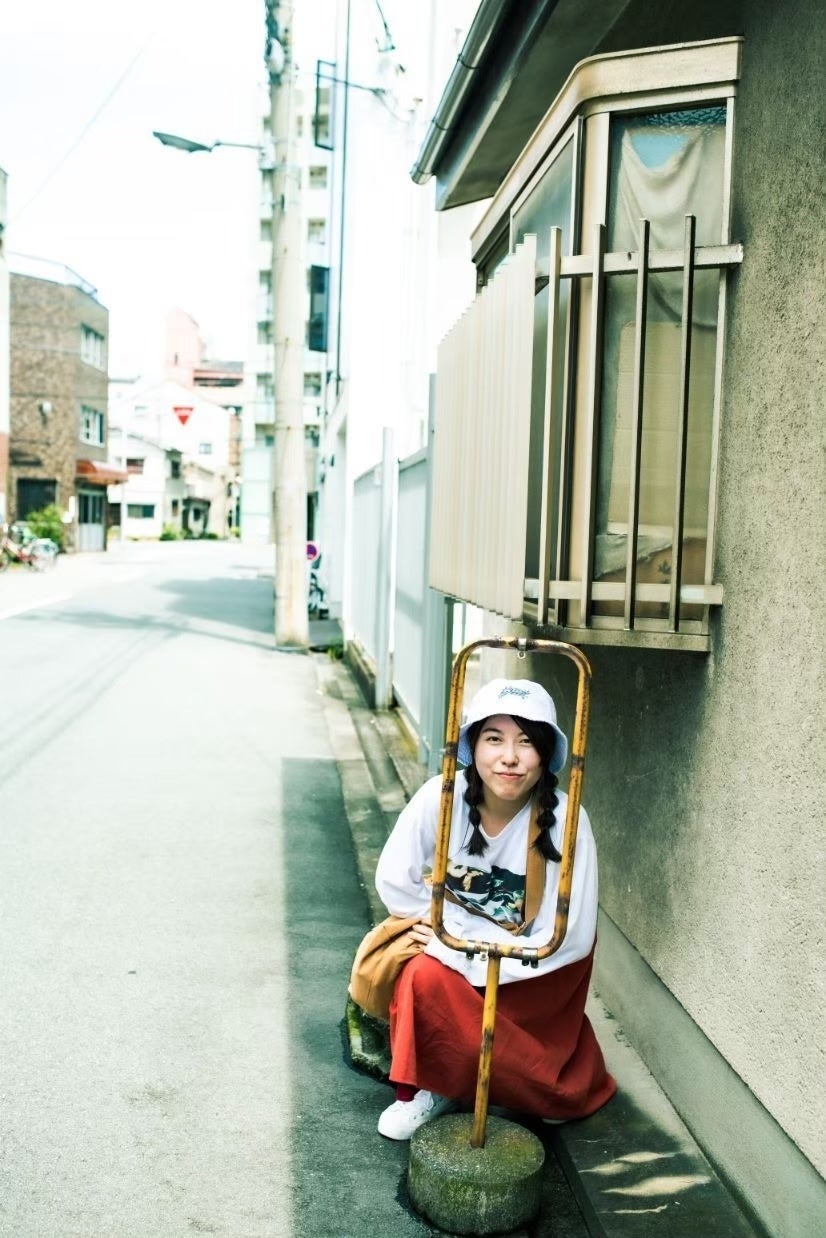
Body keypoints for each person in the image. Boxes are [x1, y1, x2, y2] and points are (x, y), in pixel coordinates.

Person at [373, 677, 617, 1140]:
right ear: (473, 746)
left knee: (551, 1095)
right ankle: (431, 1085)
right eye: (494, 739)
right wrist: (440, 931)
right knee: (421, 974)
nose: (509, 757)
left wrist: (475, 955)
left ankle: (541, 1084)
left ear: (545, 754)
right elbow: (394, 878)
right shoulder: (440, 797)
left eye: (526, 742)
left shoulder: (567, 820)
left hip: (533, 971)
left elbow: (571, 936)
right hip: (455, 949)